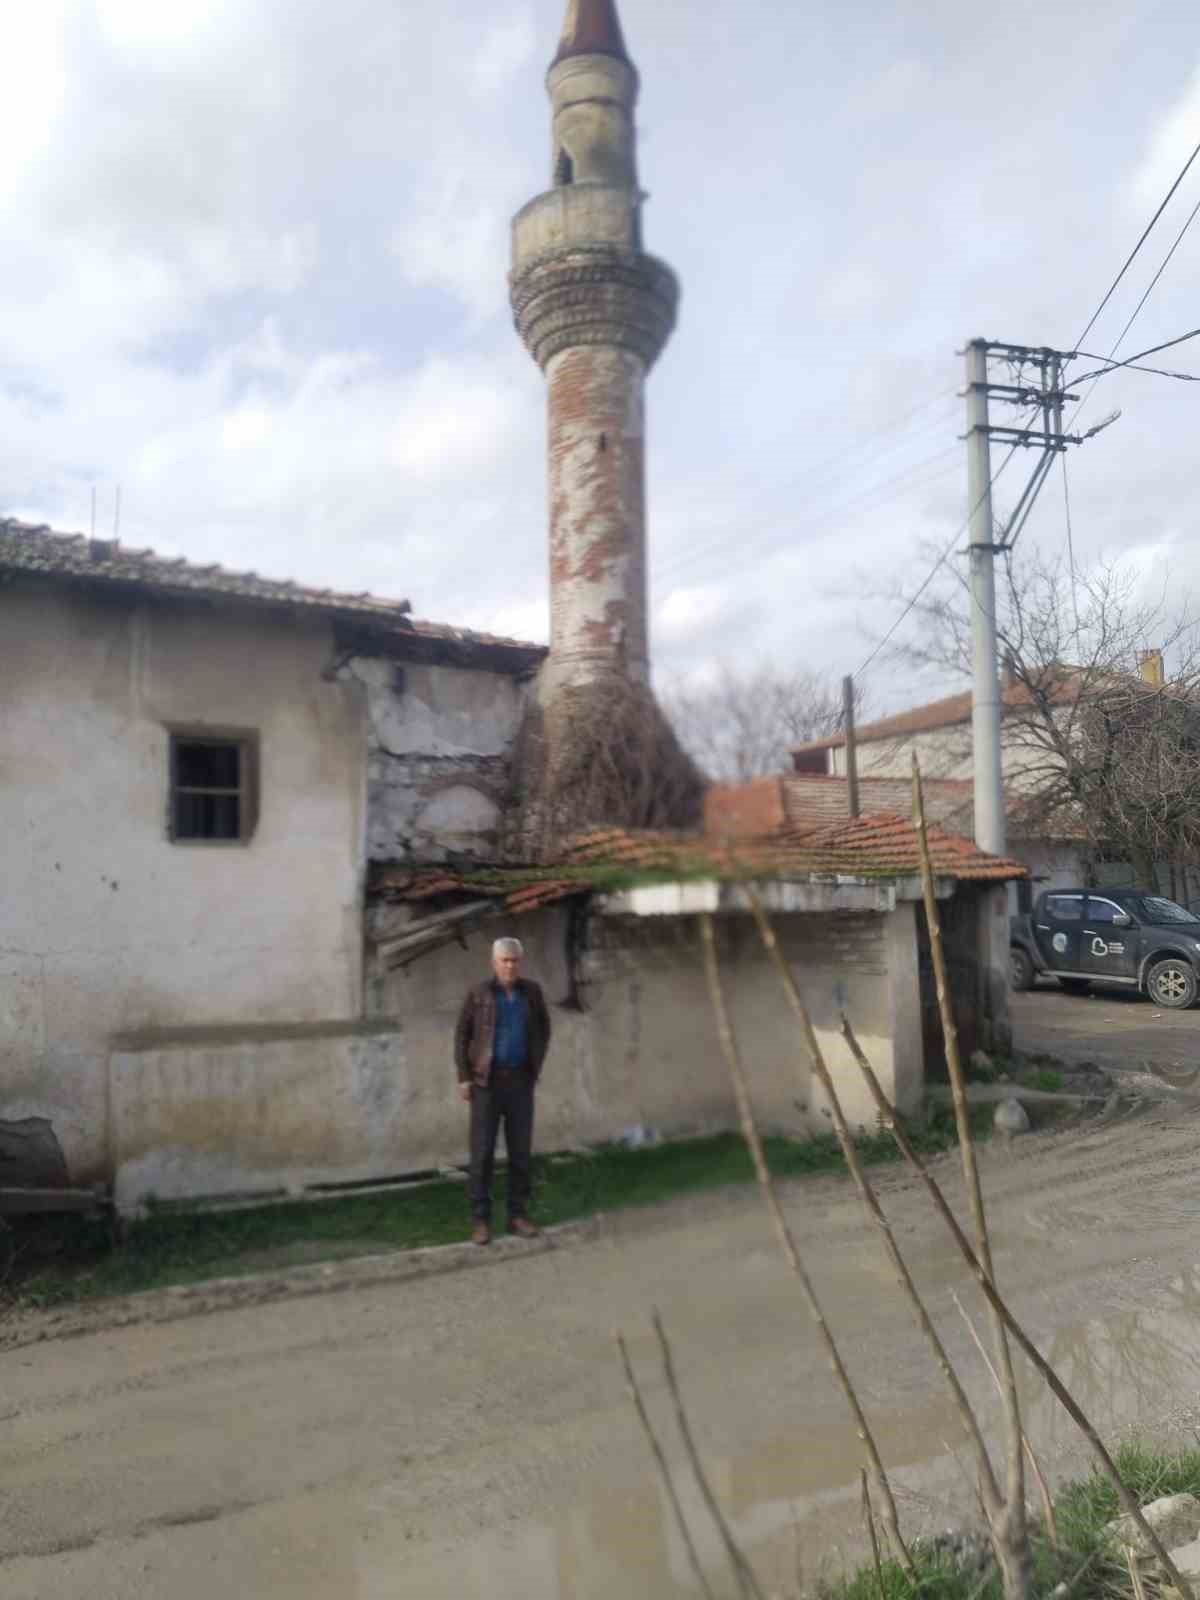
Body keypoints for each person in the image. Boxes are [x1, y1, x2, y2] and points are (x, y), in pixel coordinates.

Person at [454, 937, 552, 1246]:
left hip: (520, 1082)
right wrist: (464, 1077)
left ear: (520, 963)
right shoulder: (479, 993)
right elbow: (461, 1035)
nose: (509, 965)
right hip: (487, 1084)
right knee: (482, 1153)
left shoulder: (531, 992)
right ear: (494, 962)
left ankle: (517, 1215)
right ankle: (481, 1220)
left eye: (514, 960)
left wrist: (534, 1066)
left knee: (520, 1152)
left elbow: (544, 1029)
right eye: (504, 960)